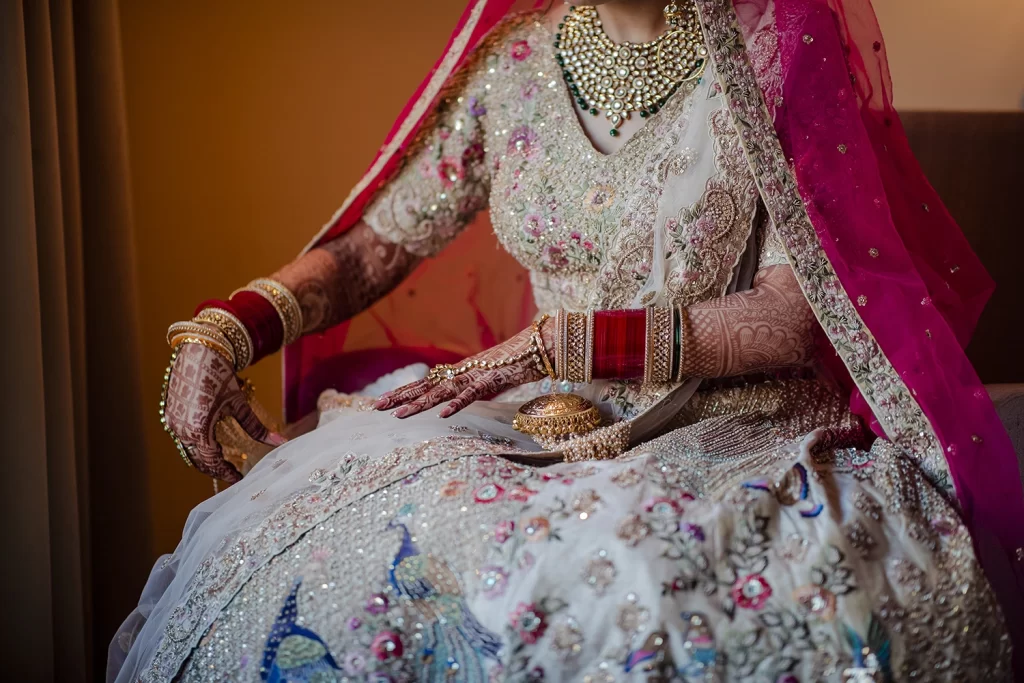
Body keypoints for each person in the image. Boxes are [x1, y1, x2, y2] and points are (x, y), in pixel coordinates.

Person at [110, 0, 1024, 680]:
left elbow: (795, 312)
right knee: (330, 557)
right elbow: (367, 251)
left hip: (730, 422)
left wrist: (561, 344)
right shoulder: (512, 68)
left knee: (626, 590)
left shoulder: (769, 53)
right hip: (535, 411)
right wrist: (229, 327)